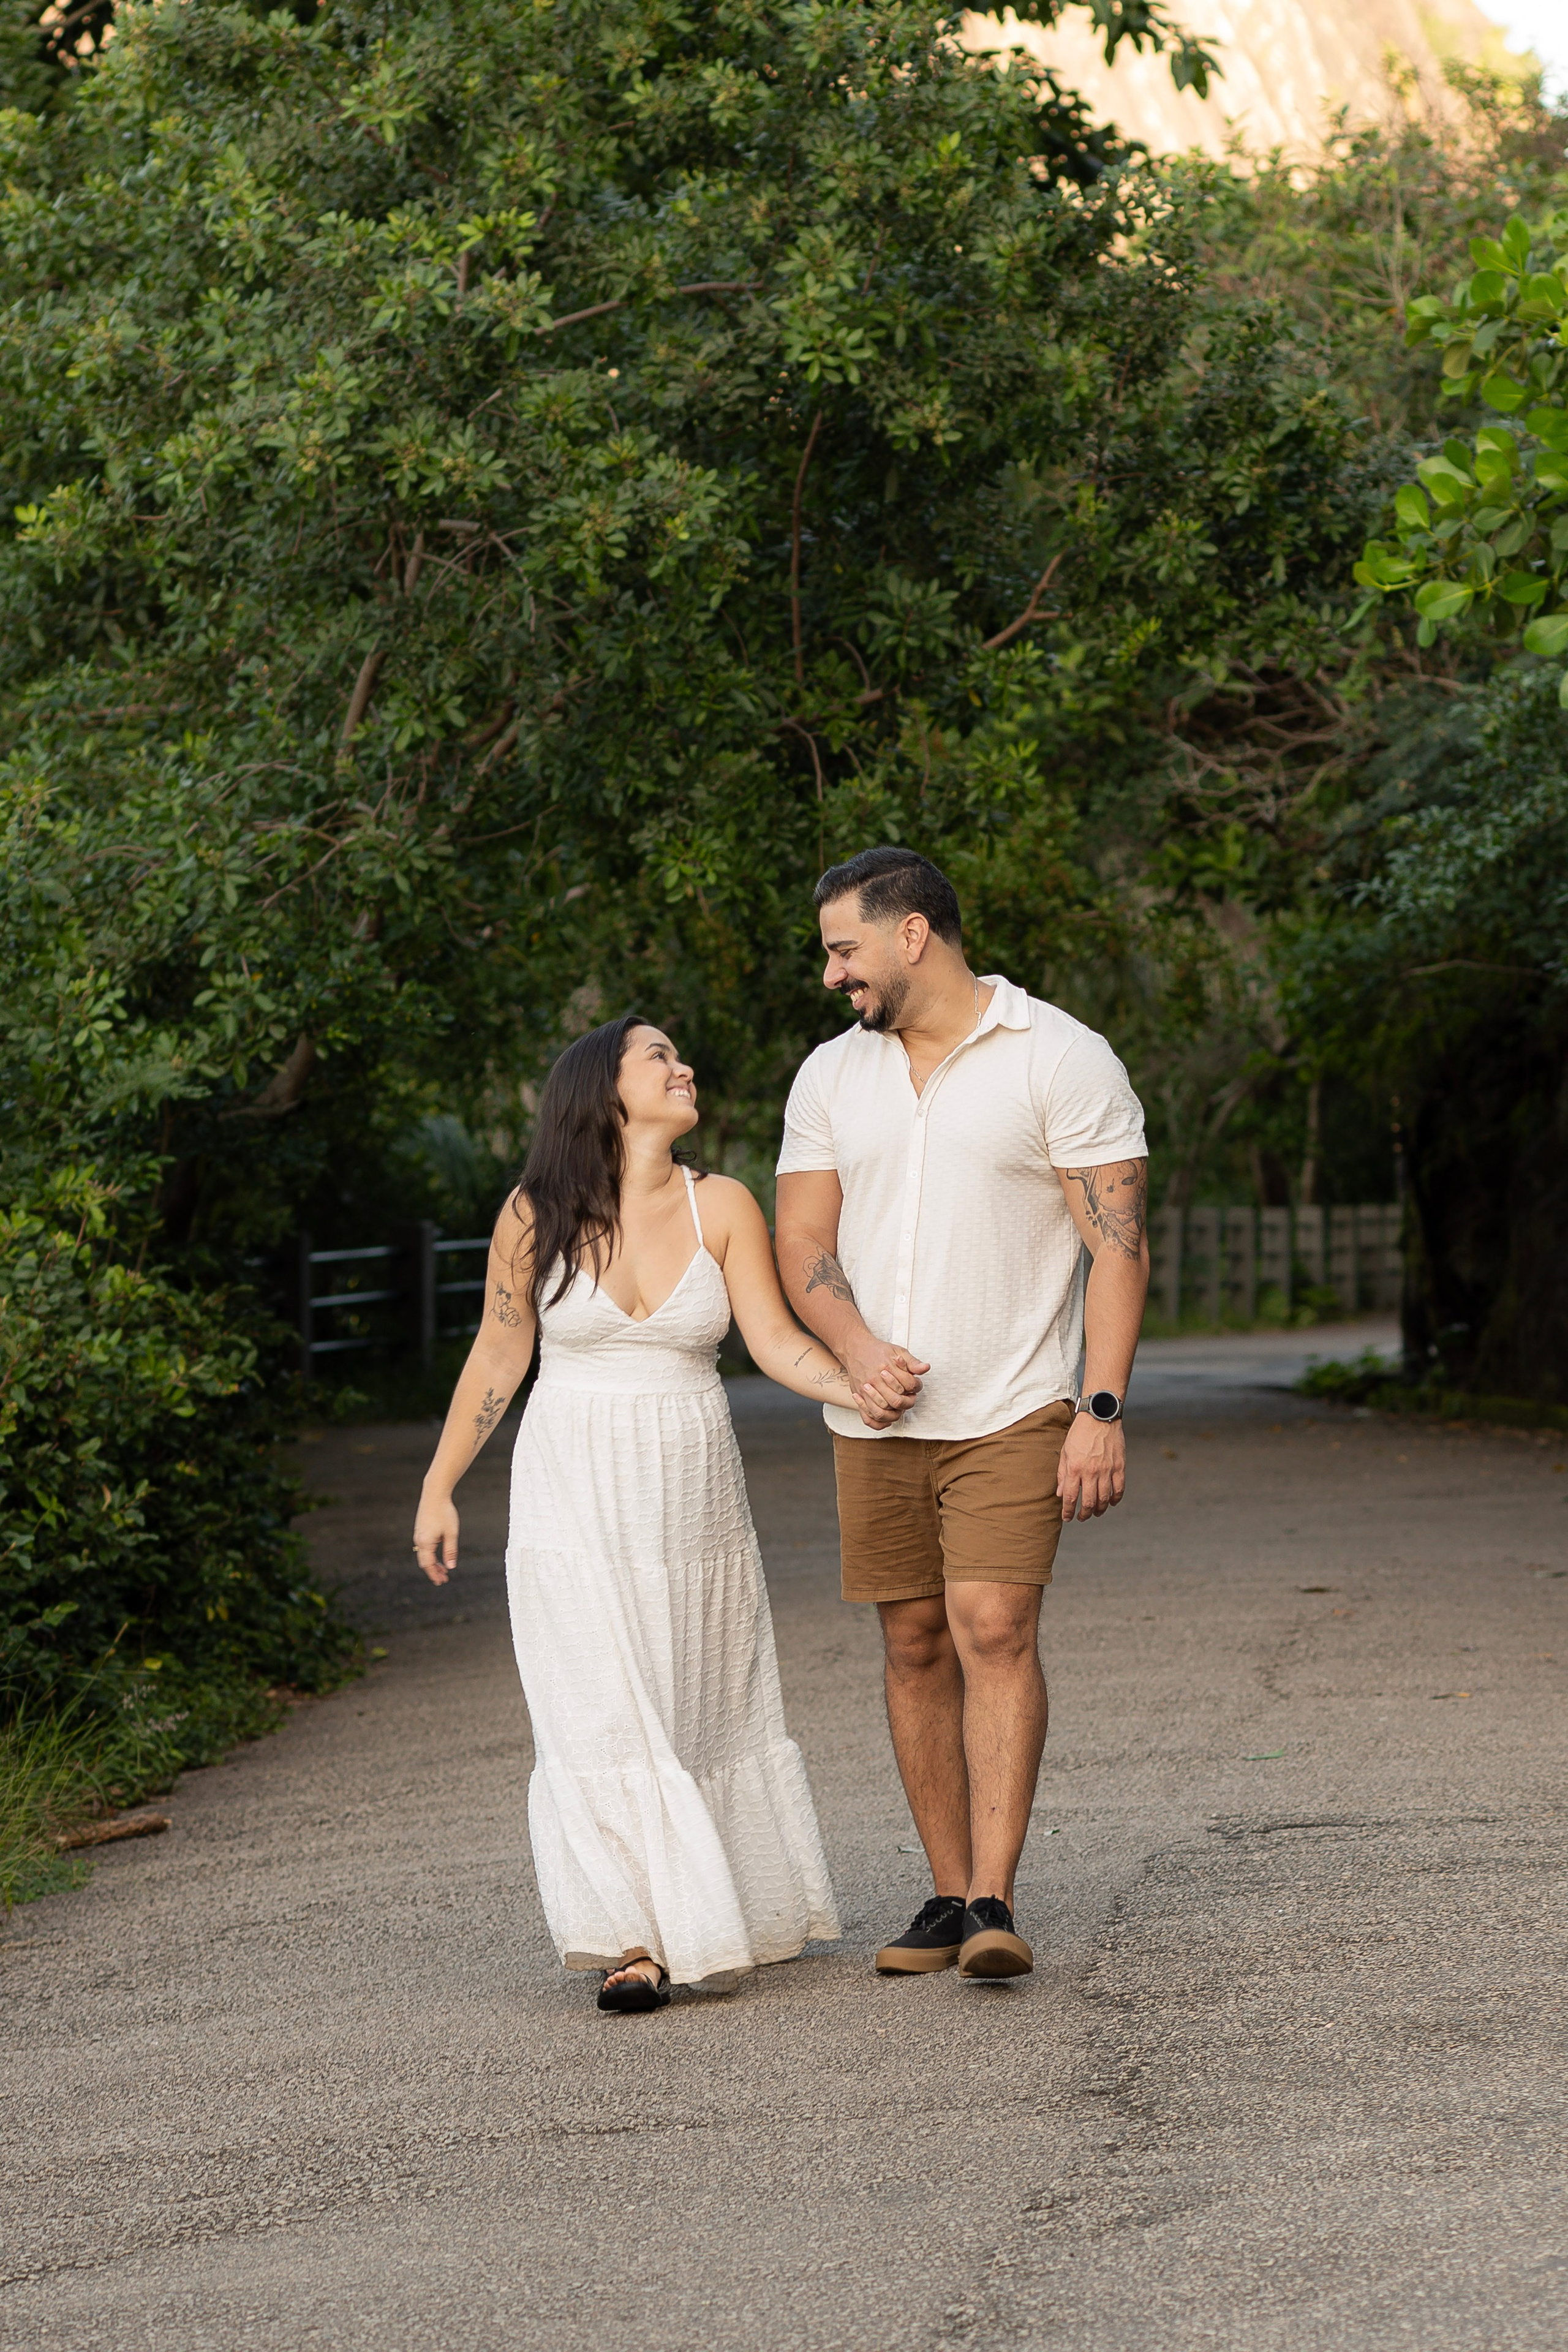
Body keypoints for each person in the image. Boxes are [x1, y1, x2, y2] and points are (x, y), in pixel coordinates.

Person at [413, 1017, 878, 2013]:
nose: (684, 1068)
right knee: (594, 1709)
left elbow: (771, 1339)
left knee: (690, 1700)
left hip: (688, 1491)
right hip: (569, 1486)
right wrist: (439, 1485)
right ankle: (632, 1942)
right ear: (603, 1089)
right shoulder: (533, 1214)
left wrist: (858, 1385)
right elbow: (499, 1358)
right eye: (658, 1057)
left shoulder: (724, 1206)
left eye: (679, 1055)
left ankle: (710, 1909)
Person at [775, 847, 1148, 1982]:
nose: (835, 976)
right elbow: (802, 1240)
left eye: (845, 949)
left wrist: (1101, 1406)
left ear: (913, 935)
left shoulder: (1062, 1057)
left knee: (993, 1627)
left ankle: (995, 1897)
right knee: (912, 1638)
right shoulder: (830, 1078)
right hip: (875, 1415)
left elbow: (1118, 1247)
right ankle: (945, 1896)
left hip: (1014, 1403)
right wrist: (855, 1349)